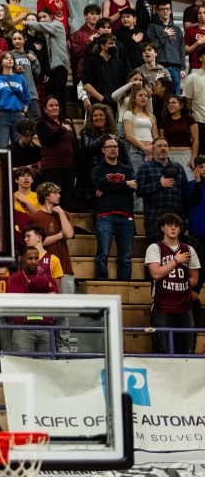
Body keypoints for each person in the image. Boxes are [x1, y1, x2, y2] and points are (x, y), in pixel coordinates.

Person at [146, 214, 200, 356]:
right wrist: (175, 261)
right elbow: (155, 274)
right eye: (169, 225)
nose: (173, 228)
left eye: (176, 225)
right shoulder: (154, 248)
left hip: (184, 307)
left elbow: (194, 278)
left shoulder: (189, 249)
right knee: (162, 351)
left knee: (186, 352)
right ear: (162, 227)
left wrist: (181, 283)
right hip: (162, 307)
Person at [92, 137, 138, 281]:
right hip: (105, 216)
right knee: (102, 255)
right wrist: (125, 184)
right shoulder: (98, 170)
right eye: (109, 146)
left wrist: (108, 188)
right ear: (103, 150)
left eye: (115, 146)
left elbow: (134, 187)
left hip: (126, 217)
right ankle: (102, 284)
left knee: (126, 257)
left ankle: (125, 288)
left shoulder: (127, 169)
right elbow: (101, 185)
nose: (113, 149)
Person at [5, 245, 58, 354]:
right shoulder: (14, 279)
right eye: (30, 258)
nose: (33, 261)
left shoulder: (48, 279)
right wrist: (43, 293)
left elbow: (55, 302)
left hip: (46, 328)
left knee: (45, 367)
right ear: (22, 259)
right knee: (23, 367)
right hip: (23, 329)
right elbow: (18, 304)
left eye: (36, 258)